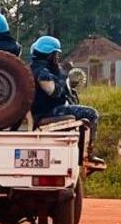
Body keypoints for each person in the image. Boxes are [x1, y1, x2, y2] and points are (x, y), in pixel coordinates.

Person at [29, 36, 104, 166]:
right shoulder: (43, 73)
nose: (57, 57)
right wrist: (63, 77)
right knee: (92, 114)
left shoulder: (34, 67)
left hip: (43, 110)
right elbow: (53, 92)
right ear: (49, 55)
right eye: (56, 54)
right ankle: (88, 154)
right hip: (49, 111)